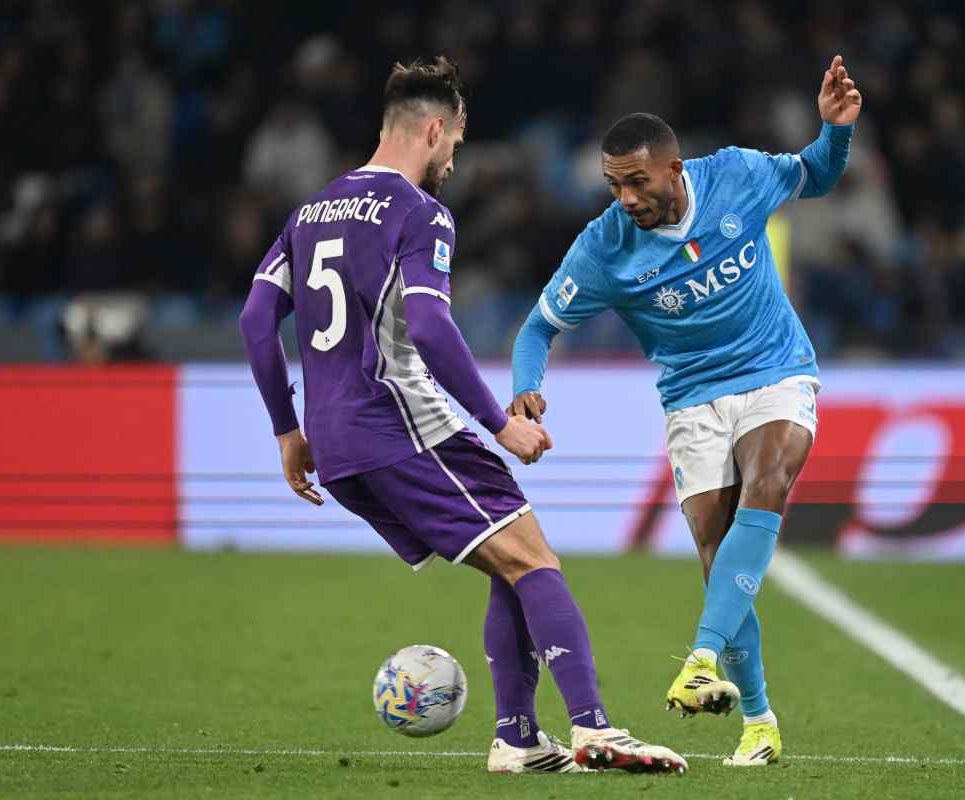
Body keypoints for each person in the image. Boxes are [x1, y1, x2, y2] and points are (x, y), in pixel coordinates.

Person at [238, 57, 685, 775]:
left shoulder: (311, 211)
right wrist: (496, 423)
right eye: (456, 145)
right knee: (535, 561)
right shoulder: (420, 213)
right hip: (402, 425)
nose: (453, 160)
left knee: (510, 563)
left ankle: (516, 738)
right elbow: (431, 326)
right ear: (436, 130)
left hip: (337, 443)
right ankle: (596, 729)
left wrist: (287, 431)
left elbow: (257, 321)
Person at [509, 55, 861, 766]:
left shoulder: (735, 174)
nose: (626, 198)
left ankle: (701, 656)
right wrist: (526, 386)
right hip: (691, 398)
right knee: (715, 555)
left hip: (775, 371)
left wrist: (835, 130)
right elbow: (537, 326)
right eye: (614, 185)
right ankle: (759, 721)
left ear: (675, 169)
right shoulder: (604, 246)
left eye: (637, 182)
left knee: (770, 481)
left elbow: (818, 174)